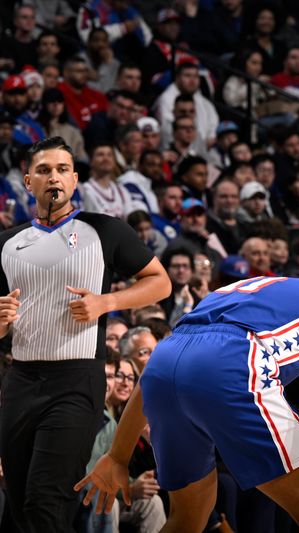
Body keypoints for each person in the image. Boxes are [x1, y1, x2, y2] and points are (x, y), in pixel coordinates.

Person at [77, 229, 299, 532]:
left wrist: (118, 456)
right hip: (233, 362)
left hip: (166, 360)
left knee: (187, 520)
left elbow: (166, 364)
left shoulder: (261, 284)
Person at [0, 136, 170, 531]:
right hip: (21, 379)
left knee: (46, 498)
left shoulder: (105, 231)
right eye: (43, 170)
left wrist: (106, 303)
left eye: (62, 170)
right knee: (20, 501)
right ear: (28, 182)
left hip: (76, 380)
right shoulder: (7, 244)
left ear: (74, 180)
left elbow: (160, 283)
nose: (53, 177)